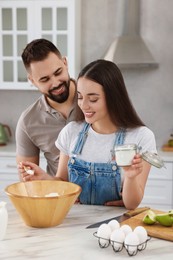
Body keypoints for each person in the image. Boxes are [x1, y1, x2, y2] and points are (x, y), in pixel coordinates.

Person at [19, 59, 157, 210]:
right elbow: (63, 184)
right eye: (79, 97)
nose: (83, 105)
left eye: (93, 99)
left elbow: (132, 204)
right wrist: (45, 179)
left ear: (113, 98)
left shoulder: (141, 137)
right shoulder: (71, 132)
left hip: (116, 225)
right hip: (74, 223)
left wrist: (130, 177)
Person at [16, 39, 77, 179]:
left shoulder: (96, 98)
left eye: (58, 72)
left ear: (65, 63)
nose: (55, 83)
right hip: (59, 198)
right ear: (32, 80)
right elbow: (29, 181)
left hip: (102, 198)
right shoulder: (28, 122)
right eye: (45, 80)